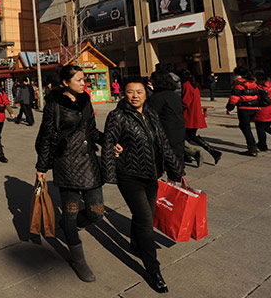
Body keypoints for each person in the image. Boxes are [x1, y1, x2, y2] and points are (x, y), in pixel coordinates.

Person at [103, 81, 184, 294]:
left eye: (139, 92)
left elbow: (163, 142)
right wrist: (109, 173)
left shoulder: (151, 114)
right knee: (146, 220)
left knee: (142, 215)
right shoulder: (117, 116)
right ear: (124, 94)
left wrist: (176, 169)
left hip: (152, 175)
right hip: (129, 175)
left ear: (146, 94)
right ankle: (153, 269)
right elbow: (109, 143)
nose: (135, 96)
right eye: (130, 92)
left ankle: (135, 244)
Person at [35, 65, 105, 282]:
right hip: (66, 164)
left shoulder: (85, 100)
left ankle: (68, 226)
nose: (84, 83)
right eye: (79, 79)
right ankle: (78, 260)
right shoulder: (54, 105)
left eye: (84, 79)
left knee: (96, 211)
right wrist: (42, 167)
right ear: (65, 83)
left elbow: (92, 130)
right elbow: (46, 137)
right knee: (71, 211)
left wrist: (108, 143)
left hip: (90, 164)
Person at [147, 70, 197, 166]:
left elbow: (150, 116)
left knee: (170, 160)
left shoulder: (157, 98)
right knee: (178, 158)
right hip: (179, 130)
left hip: (166, 132)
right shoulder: (174, 95)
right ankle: (180, 176)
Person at [181, 70, 222, 165]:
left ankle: (212, 151)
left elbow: (185, 102)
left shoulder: (186, 85)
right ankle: (188, 155)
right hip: (195, 114)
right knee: (189, 136)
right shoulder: (193, 85)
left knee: (187, 136)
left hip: (189, 115)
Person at [226, 66, 261, 156]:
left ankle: (252, 148)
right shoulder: (253, 82)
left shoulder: (238, 83)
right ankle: (258, 145)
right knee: (248, 126)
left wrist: (230, 108)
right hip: (254, 107)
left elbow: (234, 97)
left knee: (245, 127)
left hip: (244, 108)